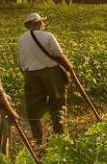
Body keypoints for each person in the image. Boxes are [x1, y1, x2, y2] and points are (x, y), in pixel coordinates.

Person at [16, 12, 74, 146]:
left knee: (33, 107)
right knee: (58, 101)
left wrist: (28, 77)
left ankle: (38, 140)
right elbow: (59, 56)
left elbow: (21, 63)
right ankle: (59, 136)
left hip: (30, 74)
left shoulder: (22, 40)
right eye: (43, 22)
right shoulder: (47, 36)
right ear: (39, 23)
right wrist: (70, 68)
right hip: (50, 72)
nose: (44, 24)